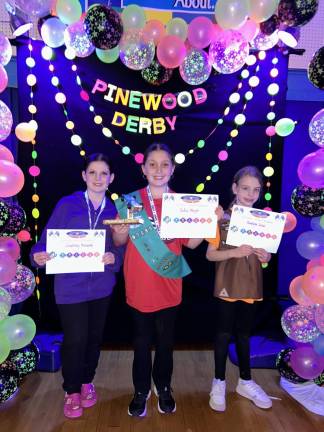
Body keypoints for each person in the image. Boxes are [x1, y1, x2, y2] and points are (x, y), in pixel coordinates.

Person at [112, 143, 222, 417]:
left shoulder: (182, 203)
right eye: (152, 164)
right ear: (143, 169)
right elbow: (118, 240)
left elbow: (193, 244)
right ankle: (140, 390)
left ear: (172, 169)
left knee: (165, 343)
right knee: (140, 343)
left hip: (169, 282)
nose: (158, 170)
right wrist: (122, 230)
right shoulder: (129, 201)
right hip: (138, 284)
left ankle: (163, 387)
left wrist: (210, 220)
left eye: (164, 164)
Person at [30, 153, 124, 419]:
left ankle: (86, 382)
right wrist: (36, 255)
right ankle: (71, 390)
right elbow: (44, 242)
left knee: (93, 339)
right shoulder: (67, 204)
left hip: (101, 287)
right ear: (84, 176)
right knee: (75, 340)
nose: (97, 178)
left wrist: (113, 258)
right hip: (69, 287)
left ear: (111, 178)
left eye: (103, 173)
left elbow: (121, 249)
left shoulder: (115, 210)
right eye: (92, 173)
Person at [206, 166, 272, 412]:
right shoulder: (220, 218)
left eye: (255, 189)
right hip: (227, 285)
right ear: (234, 188)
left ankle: (245, 381)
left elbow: (264, 260)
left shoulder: (263, 221)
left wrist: (265, 256)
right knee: (223, 334)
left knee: (244, 335)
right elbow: (210, 255)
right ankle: (219, 382)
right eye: (245, 188)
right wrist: (234, 252)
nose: (250, 193)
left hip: (251, 286)